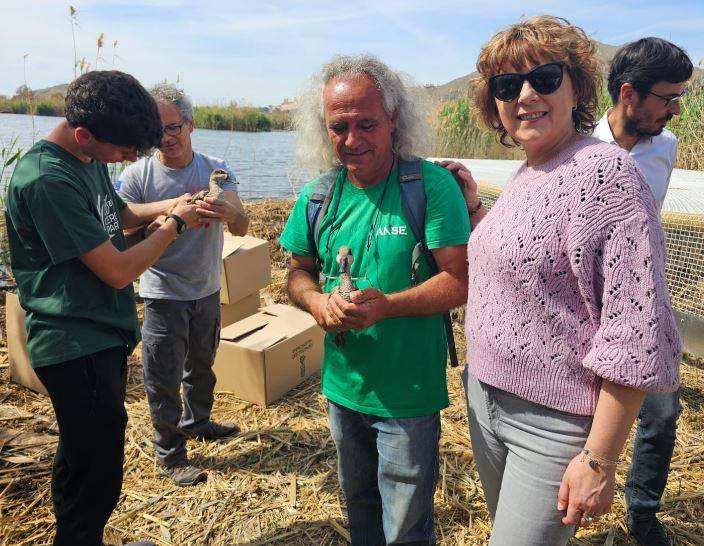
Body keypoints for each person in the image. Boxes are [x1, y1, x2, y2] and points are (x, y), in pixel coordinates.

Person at [439, 17, 681, 545]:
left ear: (576, 86)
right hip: (486, 398)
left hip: (551, 421)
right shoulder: (531, 170)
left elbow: (635, 335)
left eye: (543, 78)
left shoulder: (607, 176)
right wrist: (476, 207)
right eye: (507, 86)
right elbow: (530, 265)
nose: (524, 95)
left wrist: (599, 459)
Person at [5, 70, 206, 546]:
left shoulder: (86, 157)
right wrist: (175, 224)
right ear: (84, 134)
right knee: (97, 471)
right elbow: (117, 270)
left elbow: (113, 213)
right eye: (124, 152)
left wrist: (166, 204)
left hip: (100, 333)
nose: (130, 160)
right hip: (75, 342)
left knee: (80, 458)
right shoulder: (47, 179)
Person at [280, 54, 470, 545]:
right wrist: (318, 304)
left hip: (407, 392)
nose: (351, 139)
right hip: (343, 389)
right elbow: (297, 273)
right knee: (360, 506)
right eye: (337, 127)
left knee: (406, 523)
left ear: (393, 120)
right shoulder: (320, 195)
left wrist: (387, 305)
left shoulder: (429, 186)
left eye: (366, 123)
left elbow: (459, 279)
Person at [117, 82, 249, 486]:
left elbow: (243, 226)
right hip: (162, 295)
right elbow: (119, 238)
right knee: (162, 377)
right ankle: (171, 453)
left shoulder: (215, 168)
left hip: (207, 288)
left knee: (203, 365)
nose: (166, 137)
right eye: (158, 129)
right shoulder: (136, 176)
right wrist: (162, 225)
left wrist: (226, 211)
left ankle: (198, 422)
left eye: (174, 127)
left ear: (190, 125)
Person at [592, 38, 692, 545]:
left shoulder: (665, 148)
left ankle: (643, 511)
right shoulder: (577, 147)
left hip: (642, 298)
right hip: (585, 303)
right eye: (668, 97)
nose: (676, 110)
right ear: (629, 94)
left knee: (661, 412)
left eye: (681, 98)